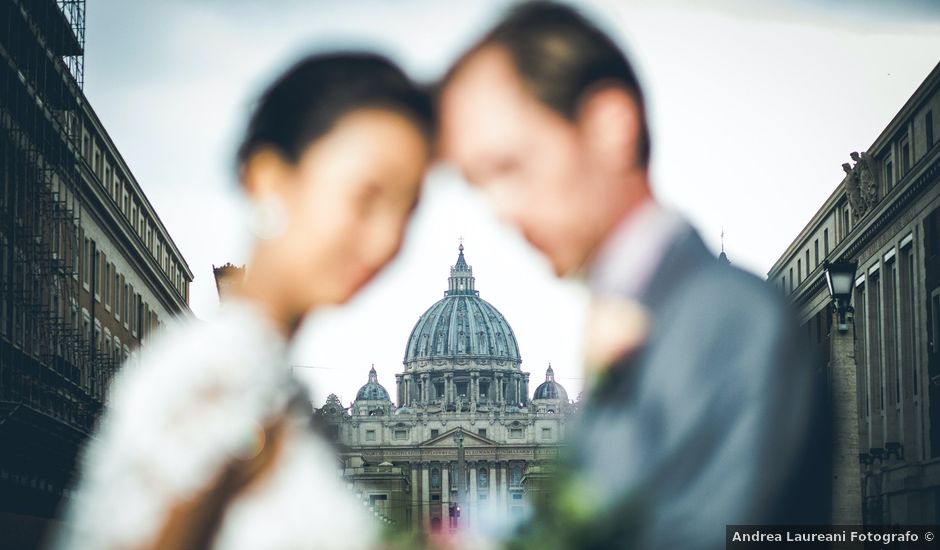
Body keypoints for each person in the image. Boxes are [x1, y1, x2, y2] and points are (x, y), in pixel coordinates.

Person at [438, 2, 831, 549]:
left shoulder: (723, 315)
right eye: (480, 183)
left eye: (511, 166)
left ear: (610, 127)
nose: (499, 209)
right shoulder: (641, 304)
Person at [53, 52, 434, 550]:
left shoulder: (262, 377)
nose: (387, 239)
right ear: (269, 178)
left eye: (407, 209)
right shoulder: (218, 378)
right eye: (366, 197)